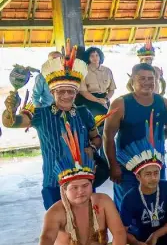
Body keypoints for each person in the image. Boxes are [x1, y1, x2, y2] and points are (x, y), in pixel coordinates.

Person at [36, 129, 136, 245]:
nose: (80, 191)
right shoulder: (55, 211)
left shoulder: (103, 201)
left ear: (92, 185)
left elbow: (119, 231)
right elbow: (47, 237)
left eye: (85, 185)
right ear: (64, 190)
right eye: (74, 188)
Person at [3, 43, 102, 209]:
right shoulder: (41, 114)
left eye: (70, 91)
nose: (66, 95)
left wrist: (92, 148)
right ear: (51, 92)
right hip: (53, 182)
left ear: (76, 93)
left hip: (84, 181)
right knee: (60, 230)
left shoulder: (84, 113)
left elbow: (96, 138)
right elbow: (11, 123)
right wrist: (9, 110)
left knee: (87, 228)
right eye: (60, 91)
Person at [105, 63, 167, 206]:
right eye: (142, 78)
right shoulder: (120, 104)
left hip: (156, 166)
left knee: (155, 204)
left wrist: (153, 143)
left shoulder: (164, 103)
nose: (147, 82)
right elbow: (108, 136)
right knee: (127, 206)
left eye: (151, 78)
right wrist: (113, 166)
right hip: (127, 168)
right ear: (132, 80)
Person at [77, 46, 116, 118]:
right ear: (88, 58)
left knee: (110, 120)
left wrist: (106, 99)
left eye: (97, 55)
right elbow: (83, 92)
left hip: (105, 100)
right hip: (89, 101)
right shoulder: (83, 71)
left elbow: (112, 89)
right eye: (92, 56)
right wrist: (98, 100)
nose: (95, 58)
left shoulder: (107, 70)